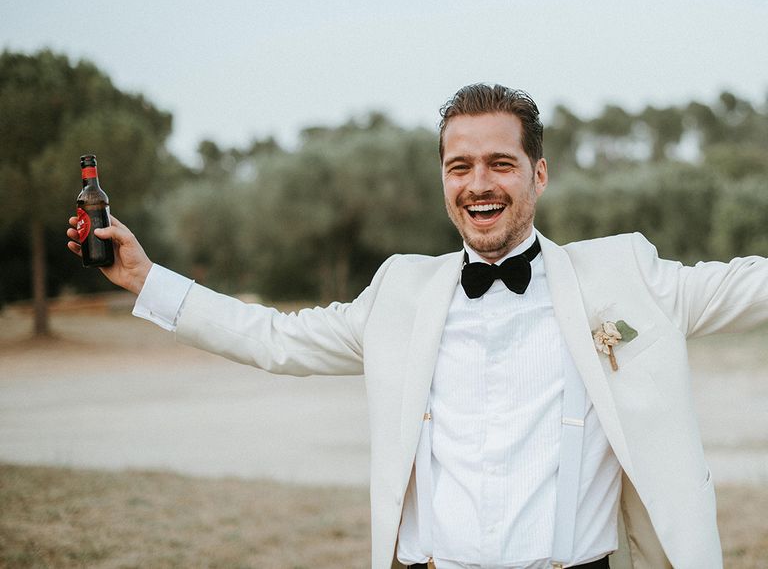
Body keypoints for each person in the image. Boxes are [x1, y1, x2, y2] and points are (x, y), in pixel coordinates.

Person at [67, 84, 768, 569]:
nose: (479, 183)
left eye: (501, 162)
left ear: (540, 174)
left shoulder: (625, 279)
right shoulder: (400, 292)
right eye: (459, 166)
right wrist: (145, 279)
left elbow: (751, 284)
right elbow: (274, 340)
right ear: (442, 179)